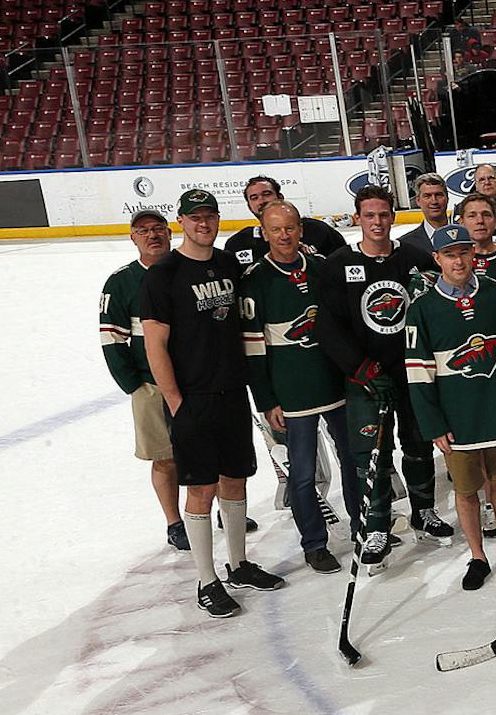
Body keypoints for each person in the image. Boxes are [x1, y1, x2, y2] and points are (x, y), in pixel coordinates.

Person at [140, 190, 284, 617]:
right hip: (193, 398)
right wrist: (176, 402)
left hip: (231, 392)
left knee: (235, 480)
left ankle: (238, 564)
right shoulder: (163, 274)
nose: (204, 224)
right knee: (201, 488)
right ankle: (207, 580)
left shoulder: (225, 264)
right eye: (195, 217)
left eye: (210, 216)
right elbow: (155, 345)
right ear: (181, 221)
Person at [313, 184, 448, 566]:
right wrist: (361, 368)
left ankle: (424, 511)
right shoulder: (339, 263)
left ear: (393, 215)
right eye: (369, 215)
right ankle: (376, 526)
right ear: (357, 218)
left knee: (419, 444)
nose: (377, 221)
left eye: (383, 214)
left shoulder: (416, 258)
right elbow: (327, 326)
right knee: (371, 453)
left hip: (413, 373)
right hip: (365, 379)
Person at [404, 223, 496, 590]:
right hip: (457, 417)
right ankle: (477, 555)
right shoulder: (422, 310)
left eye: (464, 252)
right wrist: (434, 424)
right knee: (466, 490)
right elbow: (418, 373)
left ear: (475, 253)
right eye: (450, 254)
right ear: (437, 259)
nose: (459, 260)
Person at [241, 200, 358, 572]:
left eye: (290, 227)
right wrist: (266, 398)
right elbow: (253, 347)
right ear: (264, 233)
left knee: (353, 461)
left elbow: (343, 326)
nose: (284, 235)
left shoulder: (322, 268)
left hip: (335, 383)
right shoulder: (255, 280)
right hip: (291, 393)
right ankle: (314, 543)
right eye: (276, 229)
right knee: (303, 474)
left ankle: (363, 526)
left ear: (301, 229)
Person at [99, 209, 185, 547]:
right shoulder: (121, 282)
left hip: (195, 378)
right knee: (164, 455)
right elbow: (112, 337)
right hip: (150, 385)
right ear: (133, 237)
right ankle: (175, 522)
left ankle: (217, 508)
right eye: (143, 230)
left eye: (158, 229)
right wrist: (134, 384)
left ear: (169, 232)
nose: (152, 235)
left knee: (208, 451)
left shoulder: (186, 268)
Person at [225, 174, 344, 271]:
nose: (261, 201)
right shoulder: (237, 243)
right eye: (254, 198)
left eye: (266, 194)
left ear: (280, 197)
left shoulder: (317, 230)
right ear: (249, 206)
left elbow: (343, 264)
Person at [455, 191, 496, 279]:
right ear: (461, 223)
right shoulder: (453, 261)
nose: (480, 221)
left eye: (486, 215)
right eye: (472, 216)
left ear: (495, 221)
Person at [398, 172, 450, 257]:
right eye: (427, 196)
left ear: (447, 198)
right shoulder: (405, 245)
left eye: (439, 195)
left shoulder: (466, 234)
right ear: (418, 200)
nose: (434, 201)